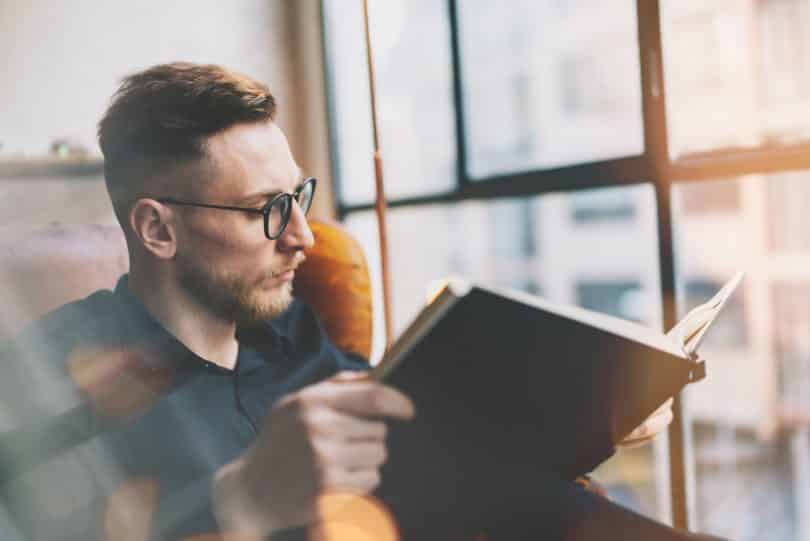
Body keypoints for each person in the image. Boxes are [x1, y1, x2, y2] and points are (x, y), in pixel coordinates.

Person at [0, 62, 721, 541]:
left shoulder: (288, 328)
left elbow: (424, 438)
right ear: (158, 228)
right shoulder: (46, 379)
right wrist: (241, 502)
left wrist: (594, 406)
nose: (303, 238)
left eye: (299, 197)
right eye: (267, 209)